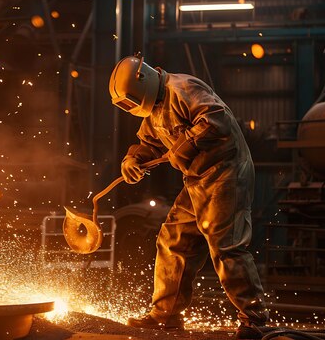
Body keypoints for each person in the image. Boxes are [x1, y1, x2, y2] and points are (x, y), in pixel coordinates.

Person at [109, 55, 269, 340]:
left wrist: (183, 145)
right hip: (197, 180)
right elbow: (148, 143)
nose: (132, 108)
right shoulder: (155, 109)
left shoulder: (182, 88)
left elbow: (214, 118)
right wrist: (132, 159)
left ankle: (254, 321)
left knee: (226, 246)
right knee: (173, 241)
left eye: (131, 102)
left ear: (143, 81)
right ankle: (165, 317)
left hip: (225, 174)